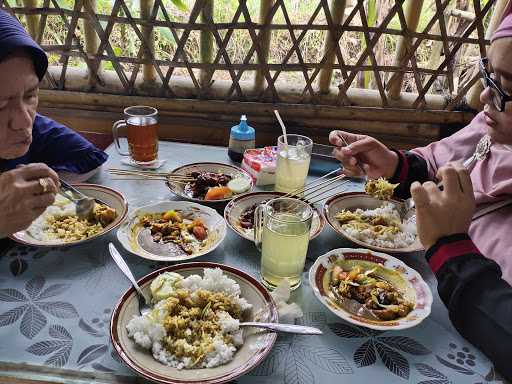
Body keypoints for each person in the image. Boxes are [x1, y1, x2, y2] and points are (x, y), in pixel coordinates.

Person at [329, 7, 512, 380]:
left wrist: (452, 247)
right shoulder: (497, 127)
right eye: (489, 75)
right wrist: (397, 167)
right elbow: (442, 159)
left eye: (508, 86)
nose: (481, 98)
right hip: (423, 297)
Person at [0, 10, 108, 236]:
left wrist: (49, 187)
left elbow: (88, 159)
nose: (23, 120)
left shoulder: (35, 127)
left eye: (30, 95)